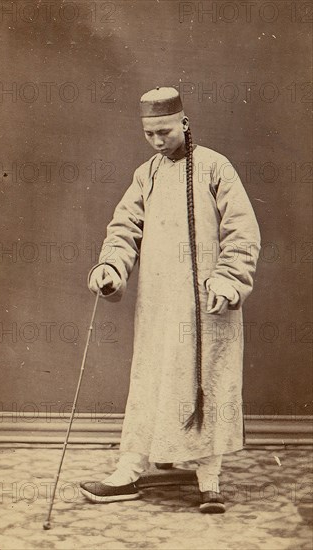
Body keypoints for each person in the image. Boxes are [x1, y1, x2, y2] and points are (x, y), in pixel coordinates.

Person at [80, 87, 260, 513]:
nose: (158, 141)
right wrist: (110, 268)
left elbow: (243, 231)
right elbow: (124, 227)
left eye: (164, 131)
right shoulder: (148, 174)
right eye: (149, 134)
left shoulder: (216, 167)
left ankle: (209, 479)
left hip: (209, 301)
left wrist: (228, 280)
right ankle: (129, 470)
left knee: (207, 380)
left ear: (184, 122)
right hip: (159, 302)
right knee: (151, 378)